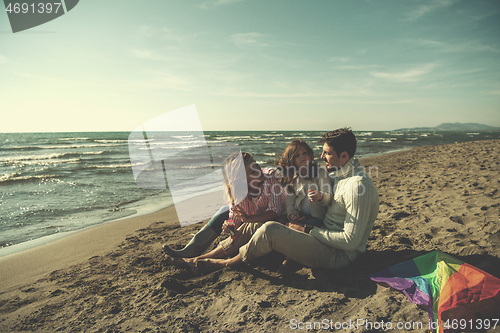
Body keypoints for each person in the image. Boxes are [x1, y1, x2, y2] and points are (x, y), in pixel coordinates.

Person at [182, 128, 379, 272]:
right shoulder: (338, 174)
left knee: (270, 229)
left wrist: (307, 229)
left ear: (343, 155)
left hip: (337, 255)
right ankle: (200, 256)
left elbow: (350, 242)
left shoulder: (357, 185)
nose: (321, 156)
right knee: (254, 226)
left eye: (326, 153)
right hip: (322, 239)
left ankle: (224, 264)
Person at [162, 151, 286, 259]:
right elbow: (235, 222)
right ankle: (191, 249)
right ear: (242, 179)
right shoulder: (238, 193)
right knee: (224, 211)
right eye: (253, 171)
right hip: (253, 221)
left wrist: (248, 219)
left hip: (276, 221)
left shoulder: (270, 177)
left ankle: (206, 254)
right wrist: (230, 230)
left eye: (257, 165)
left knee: (230, 213)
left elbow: (275, 212)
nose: (259, 171)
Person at [275, 139, 332, 227]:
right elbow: (290, 203)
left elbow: (328, 196)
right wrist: (292, 214)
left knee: (305, 226)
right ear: (291, 161)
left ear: (310, 154)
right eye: (297, 155)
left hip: (318, 218)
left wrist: (320, 197)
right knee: (281, 224)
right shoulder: (293, 179)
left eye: (304, 153)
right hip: (301, 217)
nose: (302, 157)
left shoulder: (320, 173)